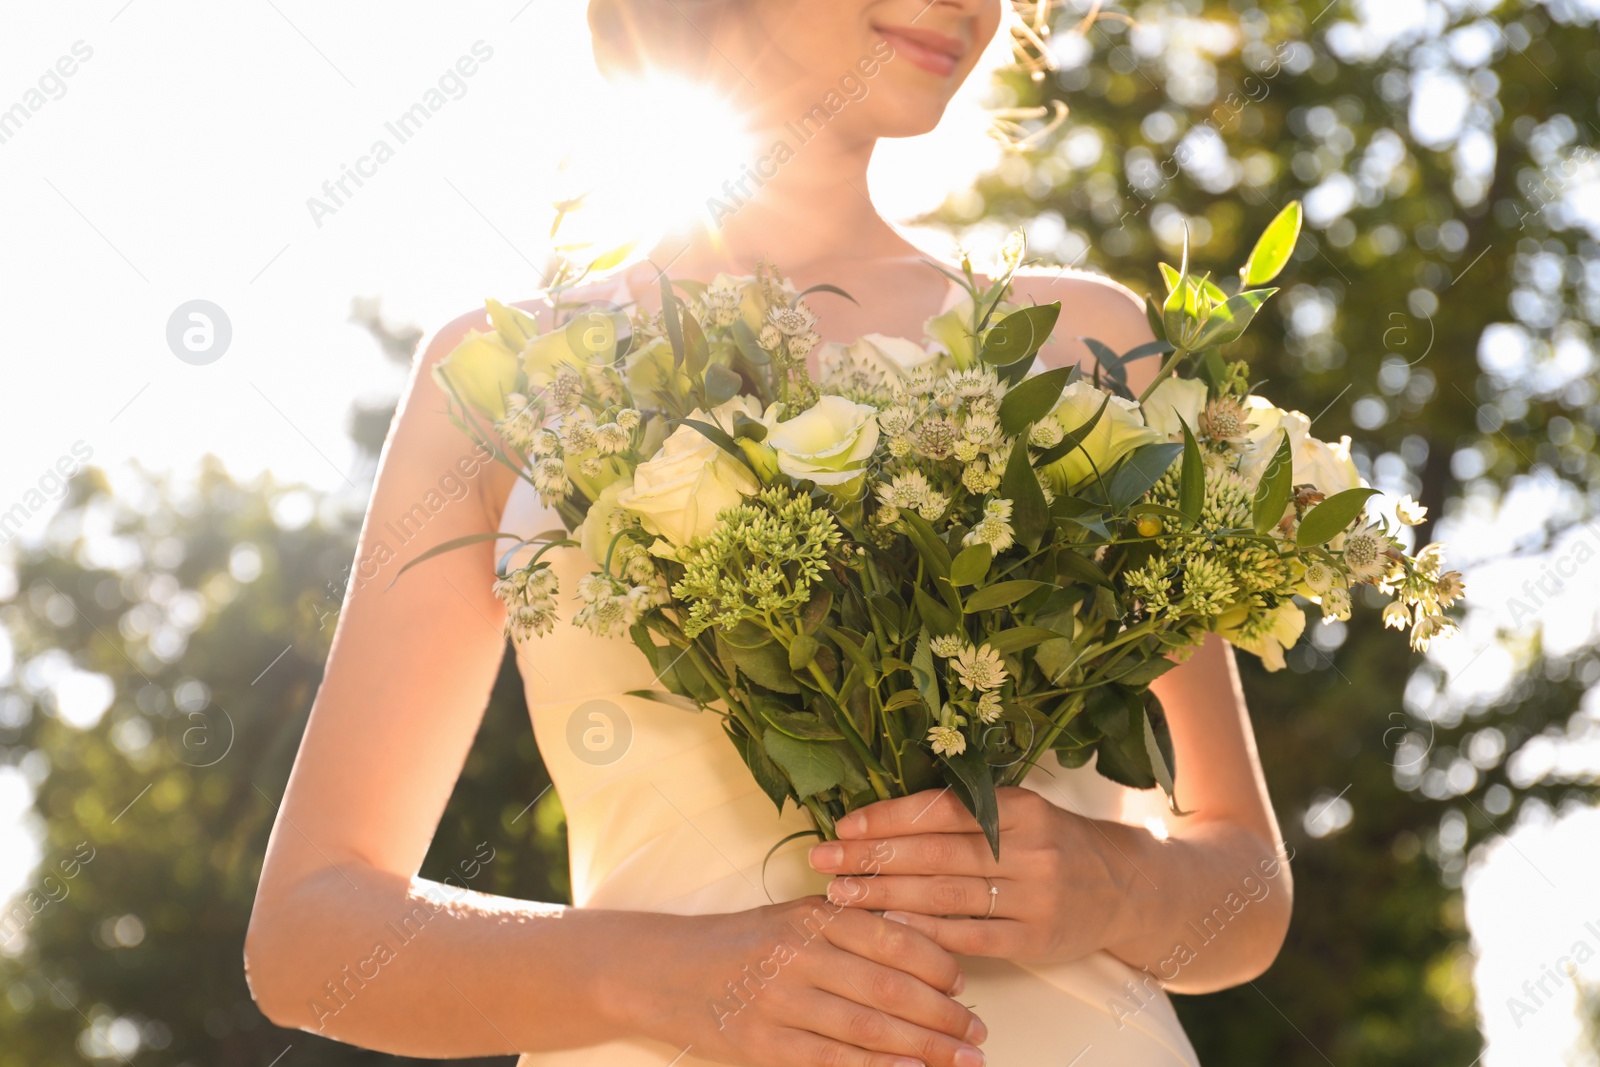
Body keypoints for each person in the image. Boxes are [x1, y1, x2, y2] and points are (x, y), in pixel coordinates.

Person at [245, 2, 1293, 1064]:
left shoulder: (1089, 345)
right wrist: (666, 977)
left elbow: (1245, 882)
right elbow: (310, 934)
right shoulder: (502, 377)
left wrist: (1112, 879)